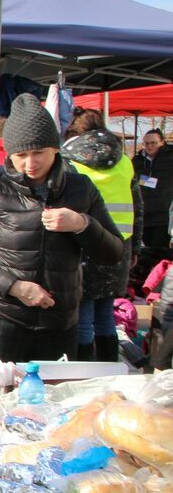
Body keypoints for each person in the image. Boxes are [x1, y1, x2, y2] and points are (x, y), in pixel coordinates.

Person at [0, 94, 123, 365]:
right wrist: (15, 287)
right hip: (0, 319)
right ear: (10, 154)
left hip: (58, 323)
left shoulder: (81, 188)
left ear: (55, 149)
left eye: (39, 153)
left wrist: (82, 225)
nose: (30, 163)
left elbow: (113, 252)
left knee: (52, 403)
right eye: (21, 155)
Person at [62, 109, 141, 362]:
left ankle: (83, 374)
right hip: (120, 244)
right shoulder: (125, 160)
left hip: (84, 243)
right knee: (106, 314)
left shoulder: (69, 160)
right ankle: (109, 369)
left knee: (83, 315)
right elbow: (138, 206)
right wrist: (136, 247)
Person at [134, 129, 173, 287]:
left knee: (161, 252)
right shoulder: (138, 160)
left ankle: (160, 284)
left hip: (163, 214)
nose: (149, 146)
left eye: (153, 143)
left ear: (162, 142)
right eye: (146, 143)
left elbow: (161, 183)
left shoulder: (169, 158)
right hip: (144, 213)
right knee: (145, 253)